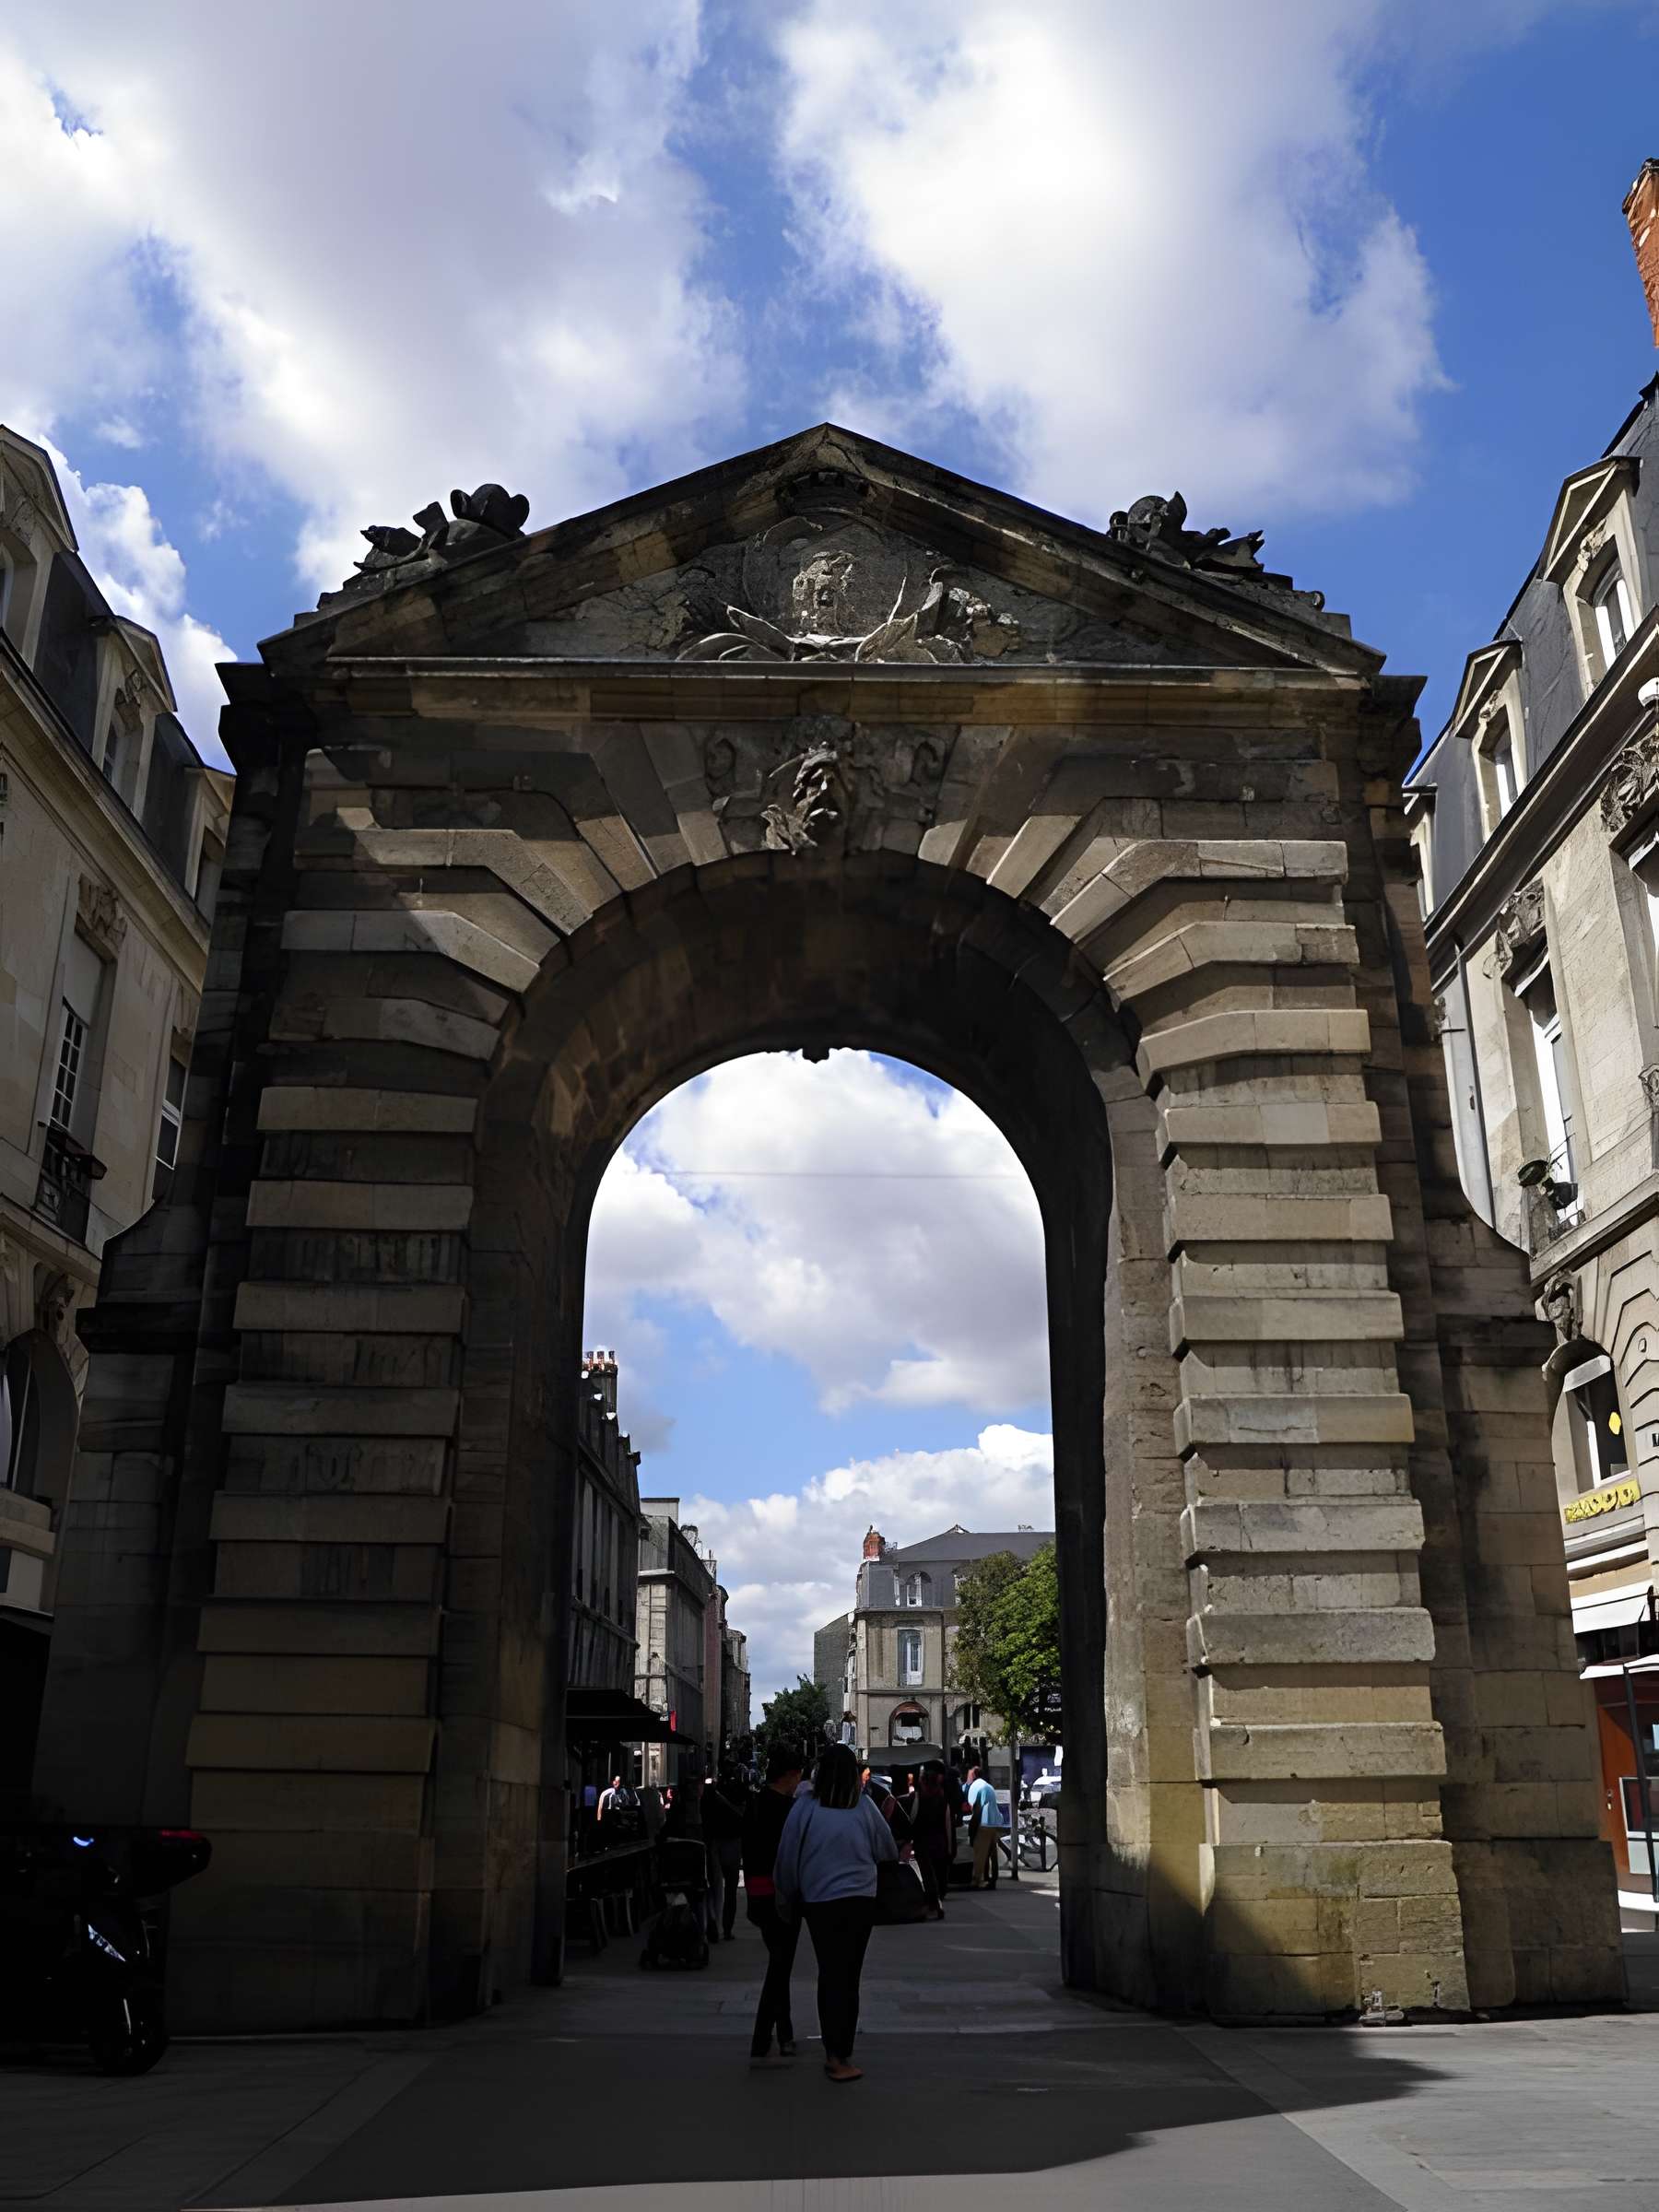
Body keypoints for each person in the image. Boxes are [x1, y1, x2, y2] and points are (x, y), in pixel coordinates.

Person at [773, 1743, 897, 2083]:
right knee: (850, 1976)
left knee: (829, 1973)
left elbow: (787, 1856)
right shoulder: (864, 1807)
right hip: (860, 1900)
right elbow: (887, 1848)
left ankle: (834, 2052)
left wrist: (785, 1896)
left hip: (820, 1902)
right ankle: (842, 2052)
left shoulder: (805, 1808)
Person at [741, 1746, 804, 2065]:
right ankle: (764, 2037)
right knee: (780, 1968)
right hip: (783, 1897)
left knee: (780, 1964)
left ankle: (785, 2034)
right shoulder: (790, 1810)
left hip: (757, 1894)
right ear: (792, 1775)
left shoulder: (753, 1803)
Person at [704, 1766, 747, 1942]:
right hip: (733, 1843)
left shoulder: (713, 1794)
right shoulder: (741, 1792)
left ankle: (714, 1923)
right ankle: (726, 1929)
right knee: (730, 1889)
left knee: (715, 1888)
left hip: (716, 1842)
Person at [911, 1763, 951, 1919]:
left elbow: (913, 1818)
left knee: (927, 1875)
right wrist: (949, 1845)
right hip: (939, 1841)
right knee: (937, 1873)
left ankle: (932, 1904)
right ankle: (937, 1903)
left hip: (923, 1842)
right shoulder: (942, 1798)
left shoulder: (919, 1797)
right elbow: (947, 1823)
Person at [965, 1764, 1005, 1889]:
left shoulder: (975, 1786)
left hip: (983, 1822)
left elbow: (974, 1808)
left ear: (974, 1775)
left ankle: (977, 1880)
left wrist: (972, 1828)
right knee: (992, 1852)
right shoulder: (988, 1786)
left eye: (970, 1774)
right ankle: (993, 1879)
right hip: (994, 1822)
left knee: (980, 1853)